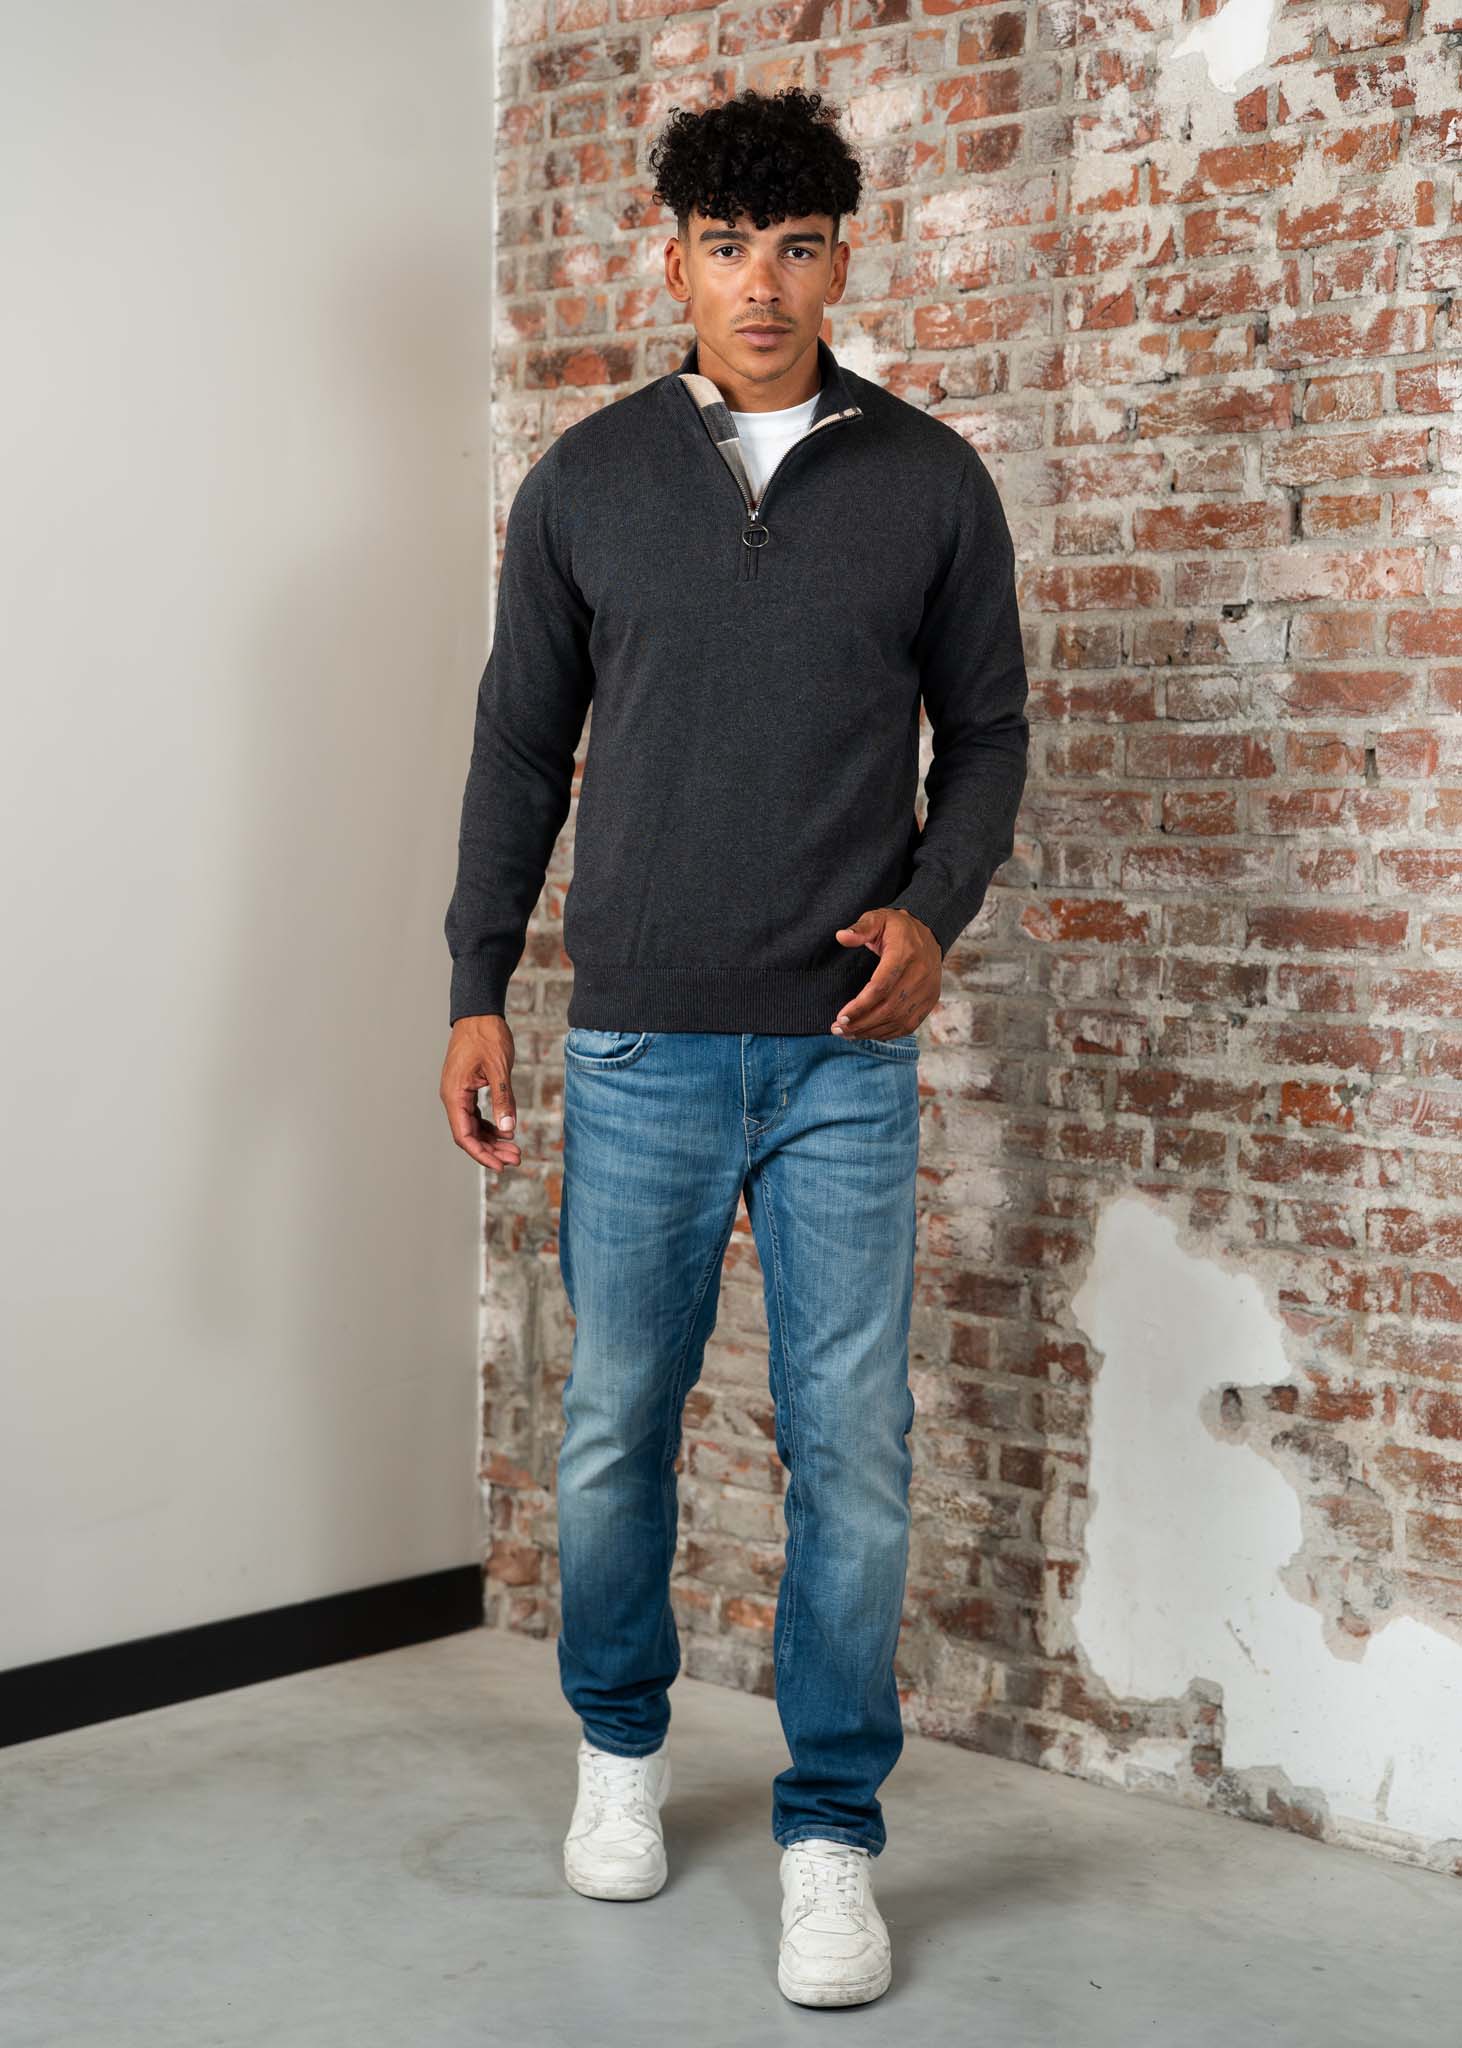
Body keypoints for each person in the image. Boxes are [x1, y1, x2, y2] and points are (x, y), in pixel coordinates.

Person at [439, 84, 1029, 2009]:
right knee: (618, 1425)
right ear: (672, 255)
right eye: (722, 246)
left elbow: (989, 733)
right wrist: (474, 980)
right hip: (635, 1045)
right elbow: (519, 749)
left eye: (793, 248)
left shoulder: (930, 480)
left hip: (844, 1052)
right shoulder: (587, 480)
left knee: (852, 1449)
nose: (758, 285)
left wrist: (933, 911)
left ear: (842, 259)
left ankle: (831, 1834)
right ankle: (619, 1751)